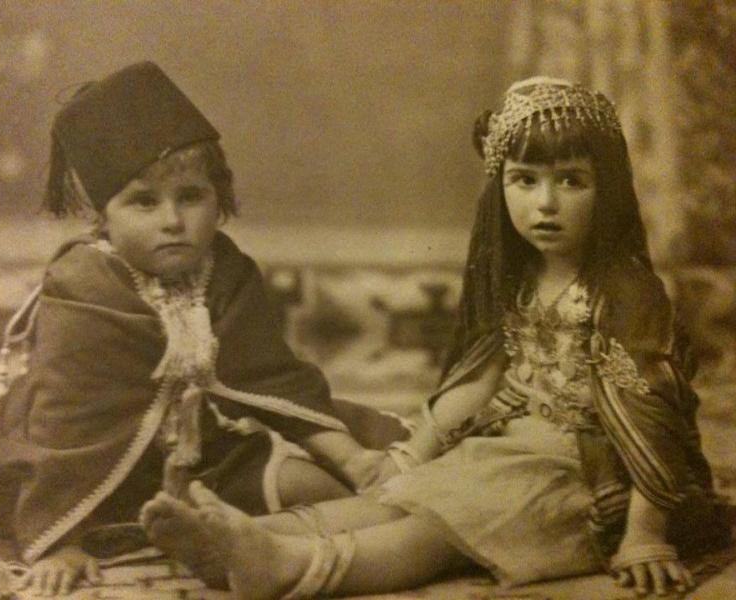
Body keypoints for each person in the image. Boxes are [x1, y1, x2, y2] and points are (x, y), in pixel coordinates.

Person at [139, 76, 730, 599]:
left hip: (589, 473)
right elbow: (483, 376)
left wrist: (646, 535)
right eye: (524, 181)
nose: (544, 204)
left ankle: (296, 566)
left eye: (571, 181)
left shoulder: (623, 292)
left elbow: (652, 417)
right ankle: (242, 540)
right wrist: (414, 451)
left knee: (441, 526)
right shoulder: (519, 278)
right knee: (403, 494)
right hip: (512, 445)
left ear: (610, 192)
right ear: (500, 188)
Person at [0, 61, 388, 596]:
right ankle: (149, 532)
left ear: (220, 199)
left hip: (203, 457)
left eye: (191, 196)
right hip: (86, 473)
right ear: (103, 216)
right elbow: (65, 426)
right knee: (64, 509)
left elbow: (271, 381)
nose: (173, 220)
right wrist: (59, 541)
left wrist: (355, 460)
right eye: (144, 202)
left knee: (331, 491)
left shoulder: (227, 271)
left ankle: (233, 539)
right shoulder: (84, 287)